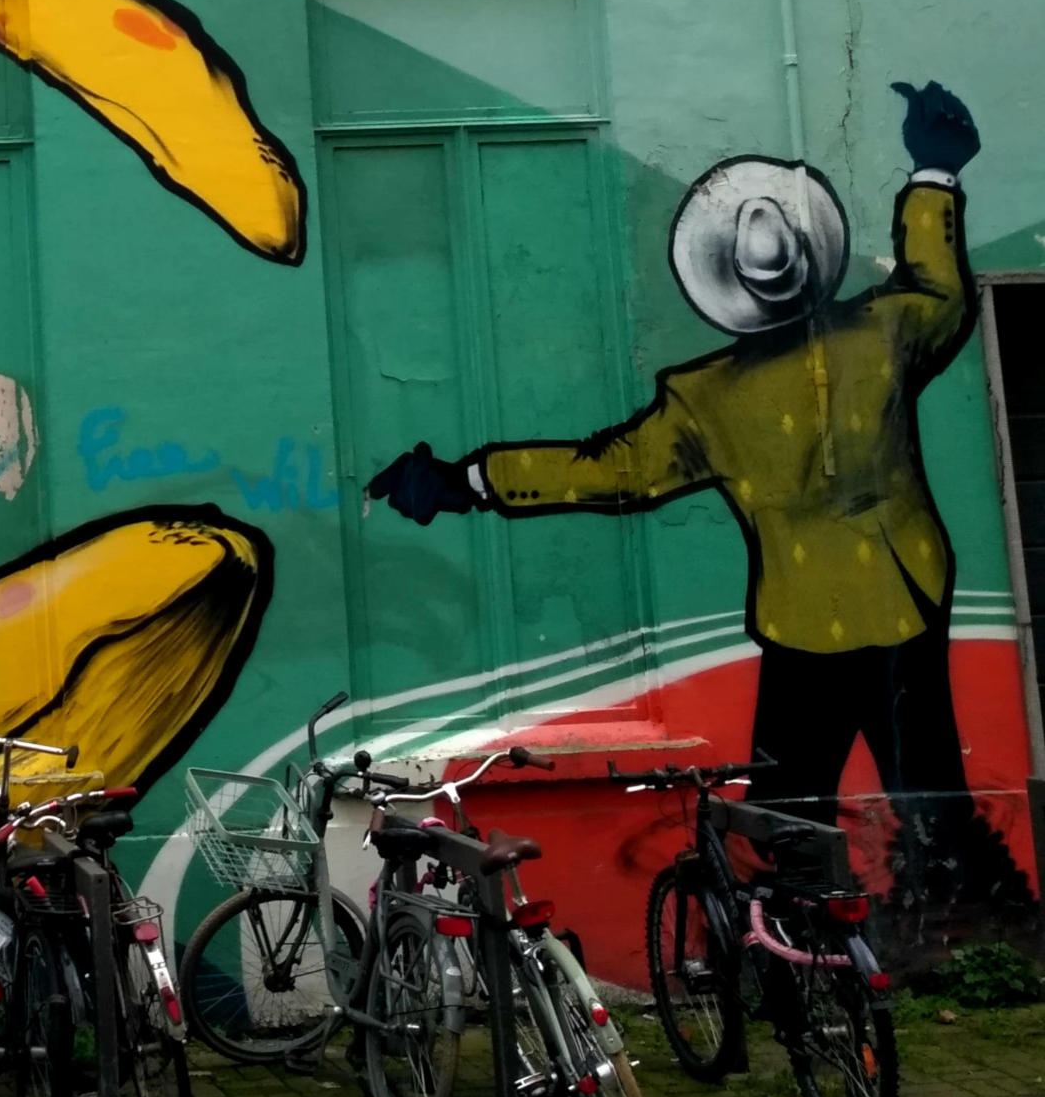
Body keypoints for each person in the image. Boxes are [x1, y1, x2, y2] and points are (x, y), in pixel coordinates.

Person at [369, 81, 1030, 910]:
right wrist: (933, 173)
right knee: (930, 789)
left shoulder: (706, 397)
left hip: (801, 624)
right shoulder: (886, 331)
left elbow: (605, 469)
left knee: (786, 808)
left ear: (728, 288)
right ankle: (969, 912)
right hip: (908, 594)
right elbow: (943, 291)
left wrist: (468, 479)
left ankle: (794, 934)